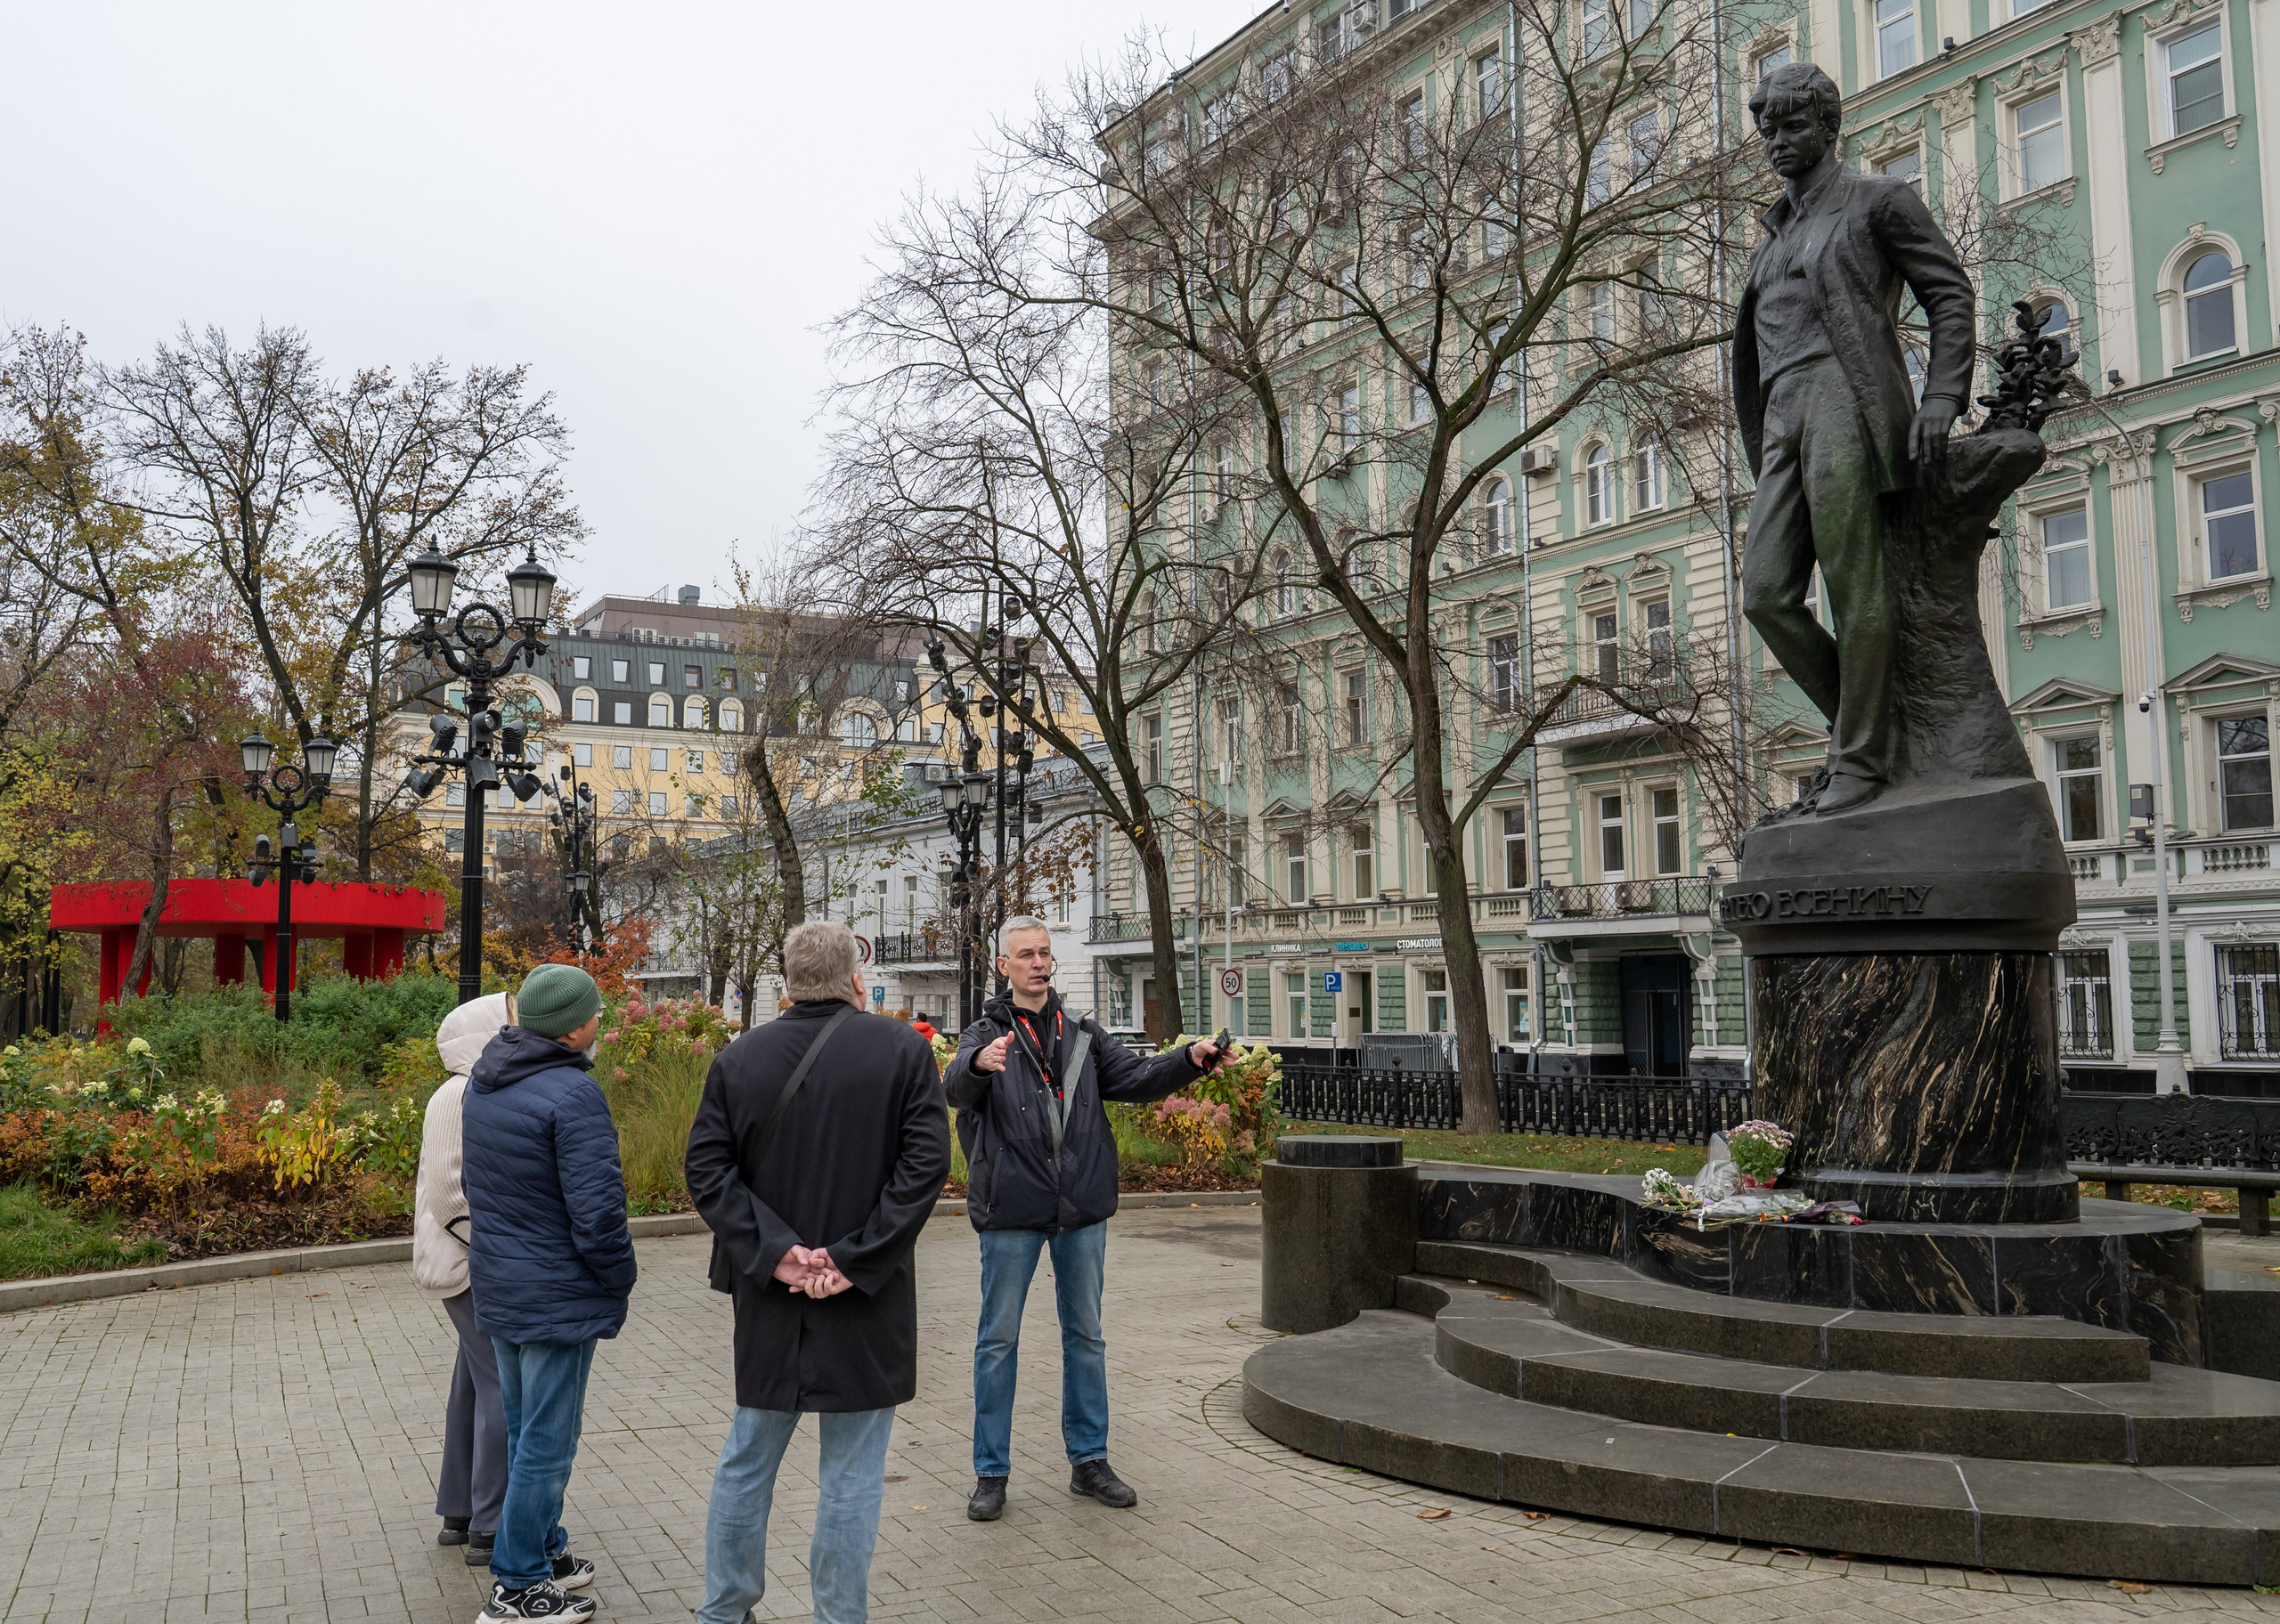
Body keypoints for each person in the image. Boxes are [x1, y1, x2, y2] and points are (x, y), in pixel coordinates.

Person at [684, 921, 949, 1624]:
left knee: (747, 1458)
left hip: (771, 1296)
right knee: (852, 1473)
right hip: (867, 1297)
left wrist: (779, 1256)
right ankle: (838, 1616)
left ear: (786, 984)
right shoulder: (903, 1052)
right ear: (857, 978)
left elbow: (707, 1171)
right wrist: (854, 1258)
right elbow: (925, 1168)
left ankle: (724, 1610)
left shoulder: (740, 1058)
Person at [1733, 61, 1975, 816]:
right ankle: (1868, 732)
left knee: (1851, 583)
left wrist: (1941, 397)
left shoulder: (1878, 200)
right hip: (1781, 411)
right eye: (1767, 128)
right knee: (1766, 595)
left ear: (1830, 128)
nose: (1777, 140)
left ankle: (1864, 762)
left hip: (1847, 393)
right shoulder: (1769, 238)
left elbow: (1949, 292)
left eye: (1794, 125)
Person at [943, 917, 1228, 1521]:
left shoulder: (1083, 1032)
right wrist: (975, 1067)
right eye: (1026, 955)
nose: (1039, 963)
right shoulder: (985, 1032)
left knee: (1087, 1338)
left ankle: (1089, 1462)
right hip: (1012, 1209)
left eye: (1045, 953)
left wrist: (1190, 1059)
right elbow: (953, 1087)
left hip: (1080, 1208)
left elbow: (1137, 1077)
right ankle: (990, 1474)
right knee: (997, 1342)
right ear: (1005, 966)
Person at [461, 964, 638, 1624]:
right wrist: (620, 1279)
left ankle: (543, 1547)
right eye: (597, 1012)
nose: (603, 1020)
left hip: (503, 1284)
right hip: (556, 1294)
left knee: (526, 1430)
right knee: (548, 1440)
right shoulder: (571, 1094)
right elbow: (598, 1216)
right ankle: (517, 1584)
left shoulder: (486, 1081)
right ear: (574, 1026)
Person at [412, 990, 516, 1568]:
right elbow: (452, 1195)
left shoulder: (467, 1092)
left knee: (473, 1383)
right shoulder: (458, 1095)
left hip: (462, 1260)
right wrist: (500, 1249)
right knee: (504, 1380)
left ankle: (461, 1509)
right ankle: (492, 1523)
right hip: (467, 1263)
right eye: (509, 1023)